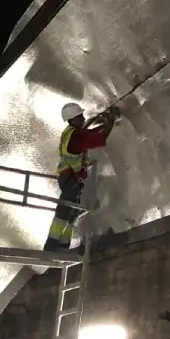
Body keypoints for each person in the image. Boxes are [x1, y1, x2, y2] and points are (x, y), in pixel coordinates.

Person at [43, 102, 120, 252]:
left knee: (72, 213)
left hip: (69, 177)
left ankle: (63, 245)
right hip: (71, 178)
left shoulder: (71, 133)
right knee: (64, 211)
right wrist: (111, 120)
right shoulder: (76, 137)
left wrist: (105, 123)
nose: (83, 118)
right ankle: (51, 246)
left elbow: (90, 134)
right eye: (80, 116)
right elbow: (100, 137)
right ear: (73, 119)